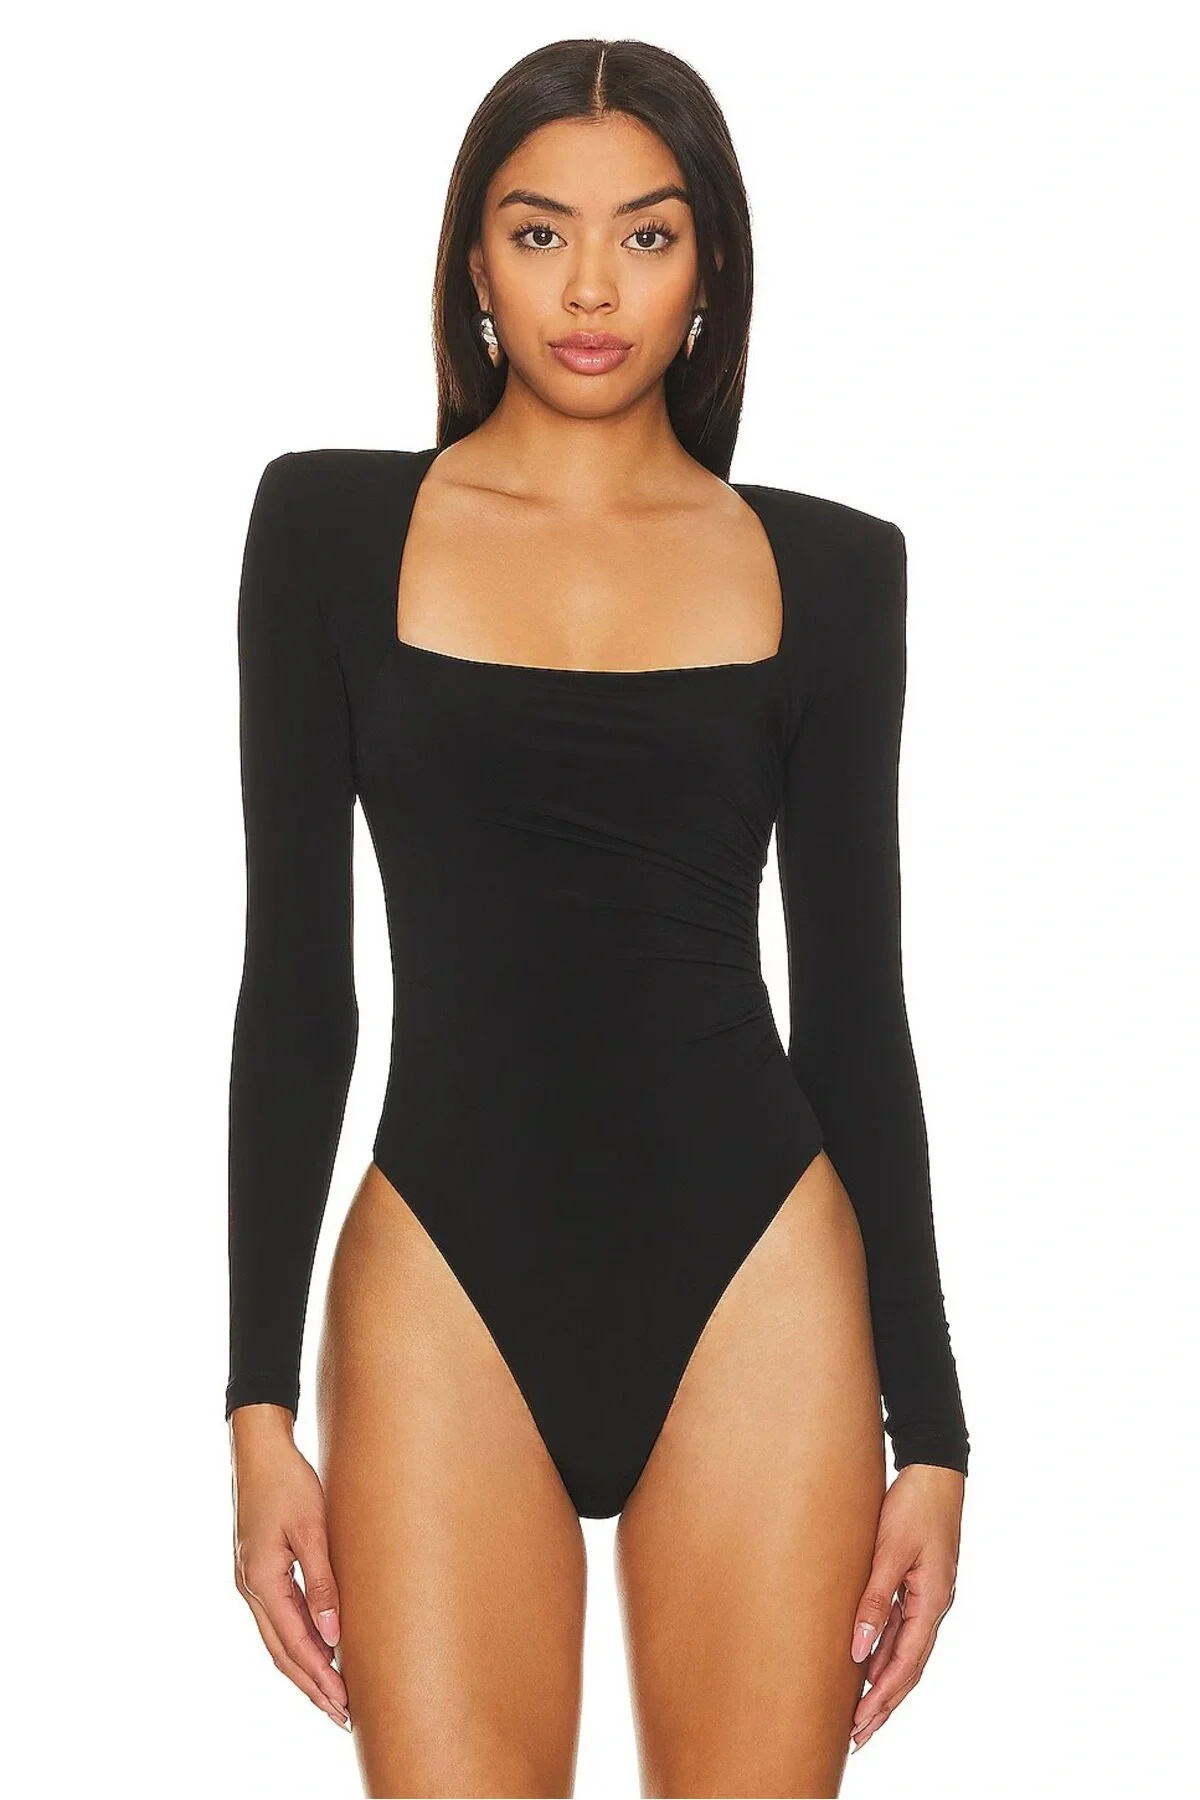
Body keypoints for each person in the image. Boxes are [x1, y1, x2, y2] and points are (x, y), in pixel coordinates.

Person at [225, 37, 969, 1800]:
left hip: (759, 1274)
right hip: (441, 1271)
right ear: (472, 263)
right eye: (538, 231)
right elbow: (298, 991)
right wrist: (257, 1413)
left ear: (709, 271)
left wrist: (933, 1438)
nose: (588, 289)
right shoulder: (326, 528)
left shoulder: (832, 570)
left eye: (646, 235)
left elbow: (854, 1011)